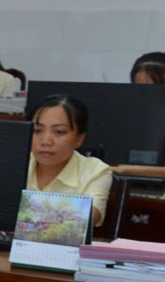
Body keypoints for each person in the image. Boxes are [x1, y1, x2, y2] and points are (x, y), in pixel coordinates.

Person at [28, 94, 112, 227]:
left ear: (79, 139)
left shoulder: (96, 171)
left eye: (59, 132)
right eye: (37, 130)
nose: (46, 141)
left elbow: (86, 220)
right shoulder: (12, 163)